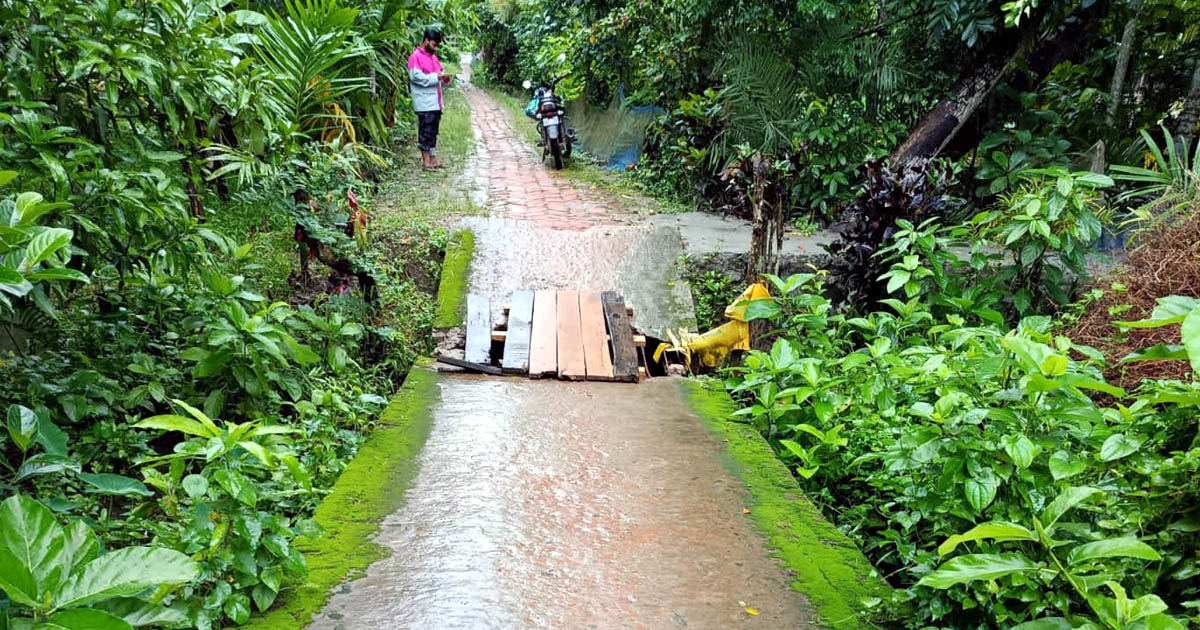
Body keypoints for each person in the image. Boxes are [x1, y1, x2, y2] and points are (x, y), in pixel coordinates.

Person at [408, 28, 452, 171]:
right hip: (424, 102)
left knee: (433, 131)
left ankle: (433, 159)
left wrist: (444, 76)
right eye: (434, 44)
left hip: (435, 102)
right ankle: (426, 162)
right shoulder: (415, 57)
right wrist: (436, 77)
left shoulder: (433, 57)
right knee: (425, 131)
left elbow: (440, 72)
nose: (435, 48)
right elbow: (415, 77)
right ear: (426, 40)